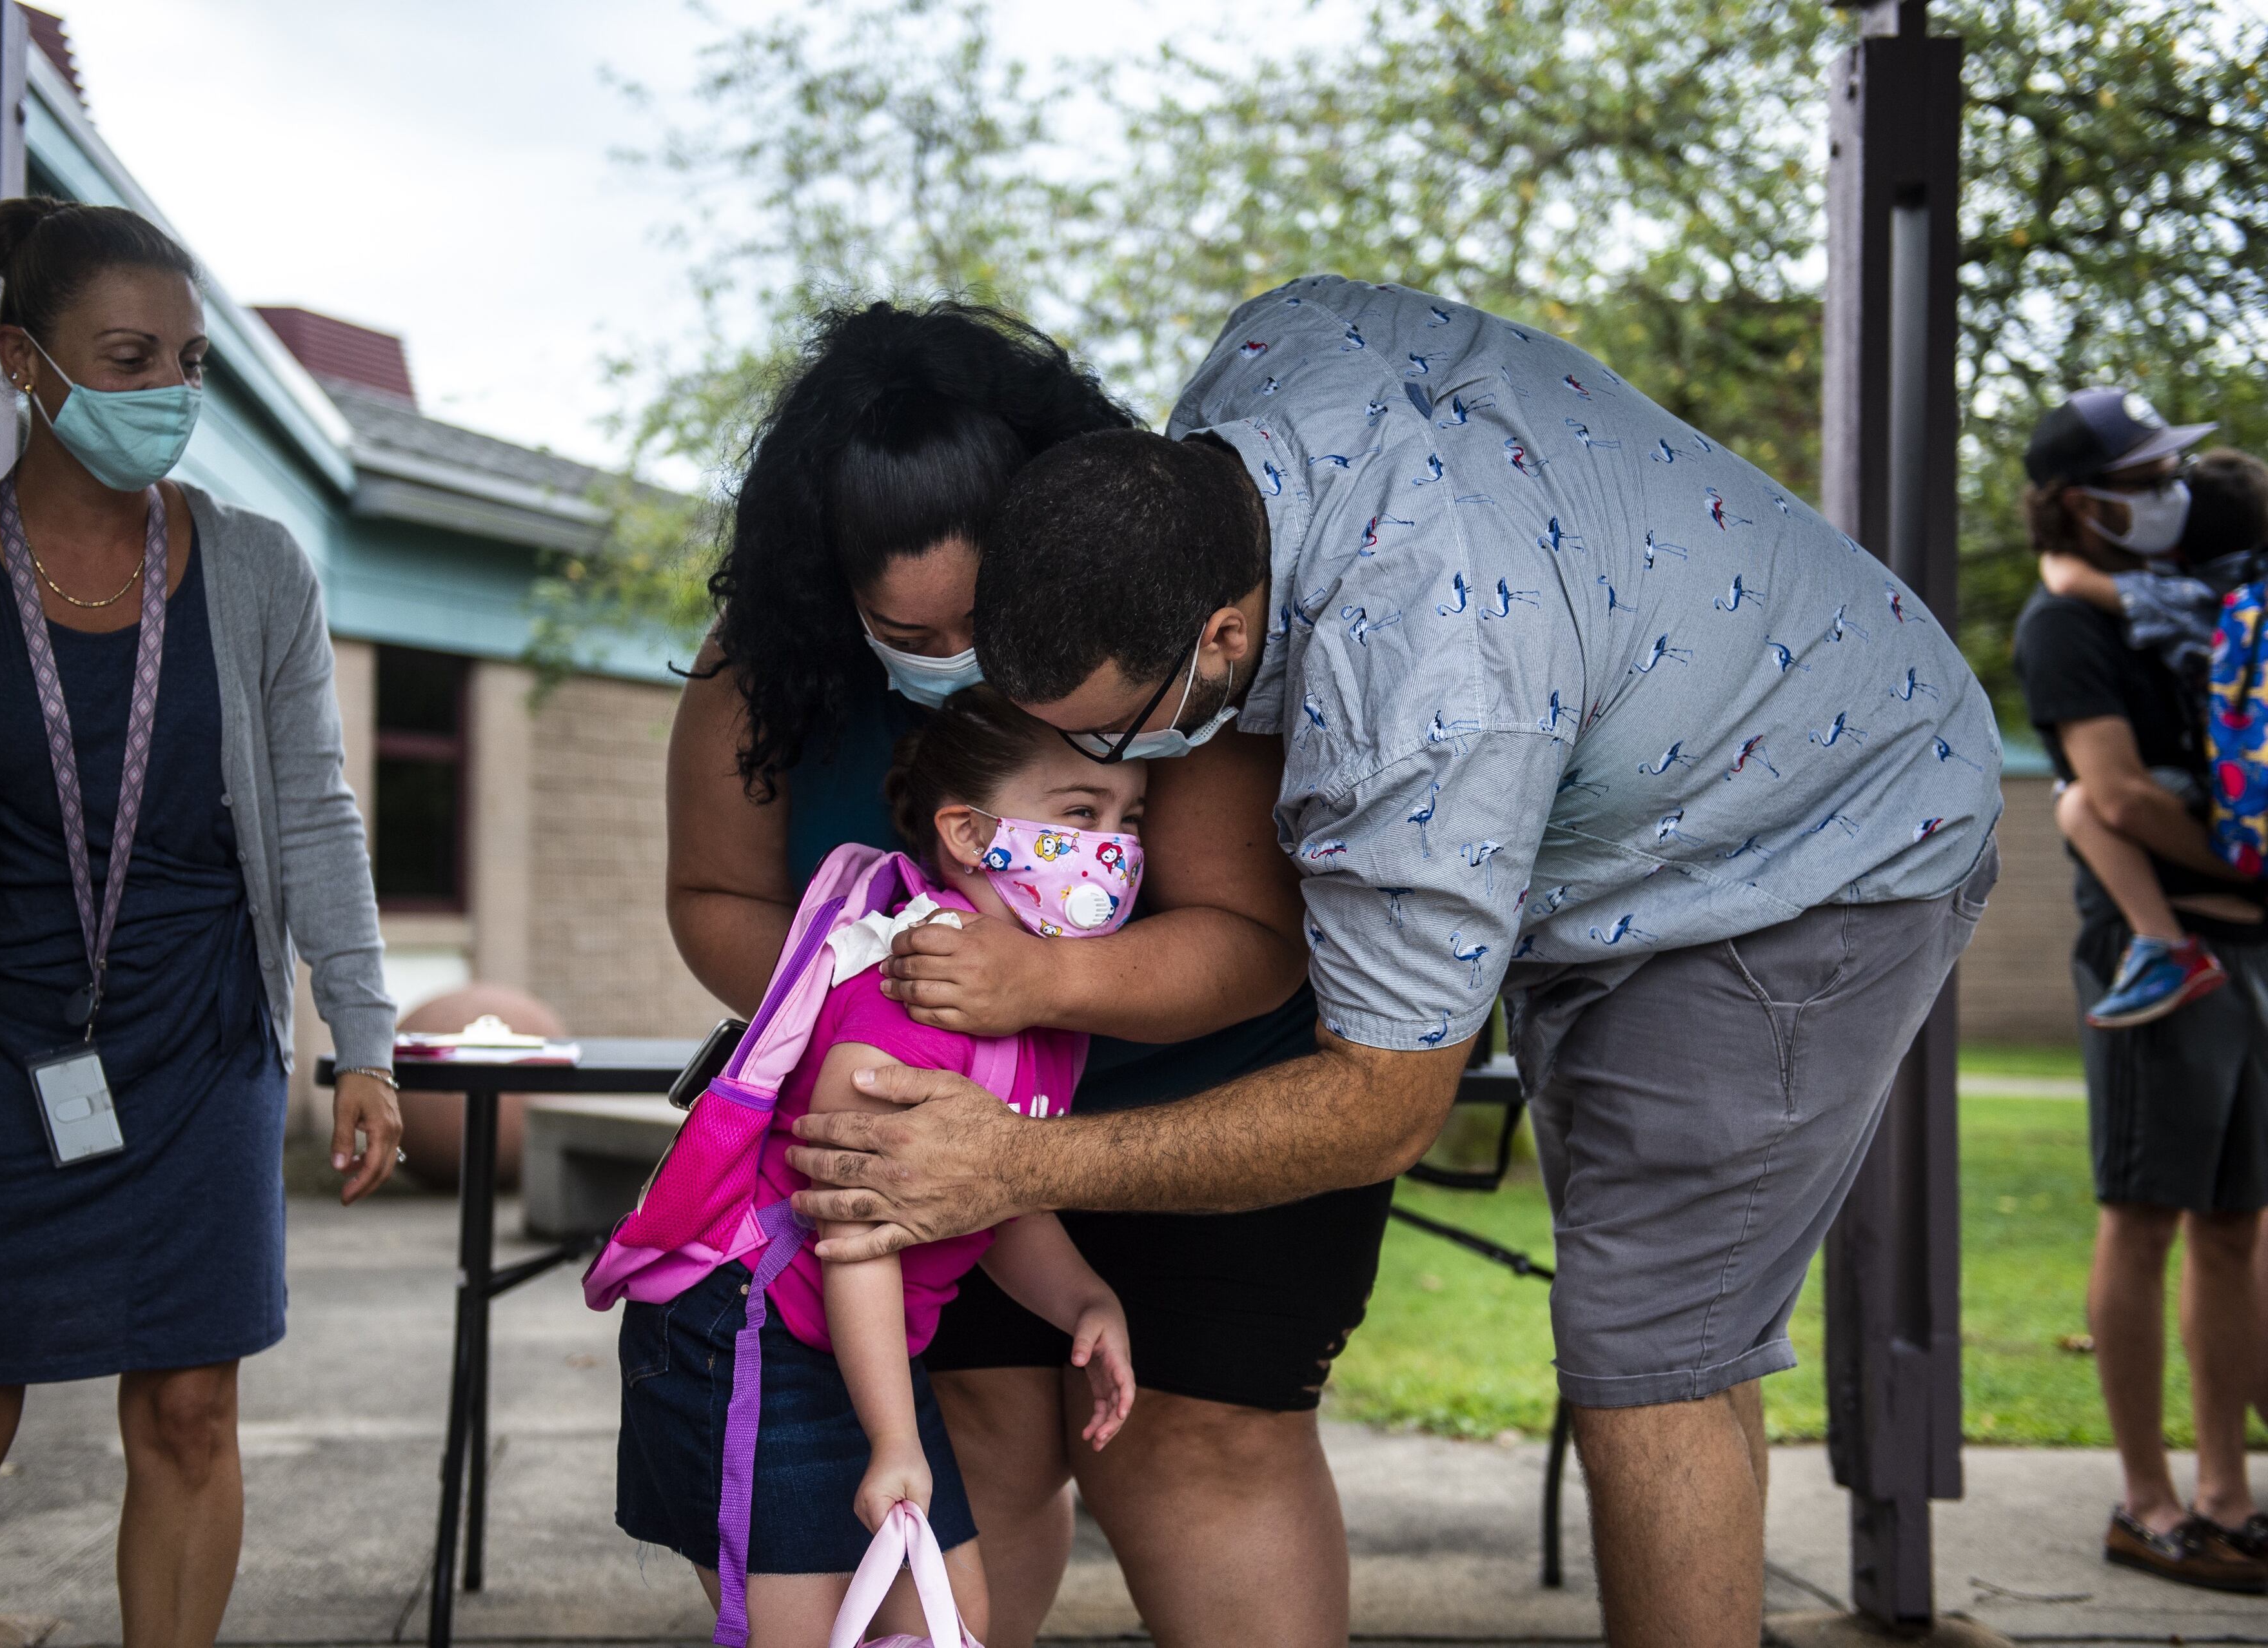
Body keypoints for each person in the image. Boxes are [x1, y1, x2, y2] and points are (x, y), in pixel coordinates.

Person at [787, 275, 2005, 1648]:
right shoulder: (1264, 349)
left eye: (1122, 742)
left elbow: (1383, 1103)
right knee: (1669, 1332)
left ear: (1224, 639)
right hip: (1669, 749)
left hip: (1810, 836)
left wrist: (1011, 1166)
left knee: (1652, 1345)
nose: (1122, 774)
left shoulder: (1424, 719)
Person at [664, 301, 1374, 1648]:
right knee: (971, 1425)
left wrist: (1033, 987)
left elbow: (1249, 934)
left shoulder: (1152, 633)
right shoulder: (767, 667)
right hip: (921, 1116)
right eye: (902, 632)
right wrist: (868, 990)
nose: (947, 666)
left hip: (1198, 1105)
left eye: (980, 624)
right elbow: (713, 898)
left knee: (1188, 1436)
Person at [0, 197, 400, 1647]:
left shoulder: (259, 575)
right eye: (125, 359)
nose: (164, 396)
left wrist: (362, 1035)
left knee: (191, 1414)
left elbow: (315, 812)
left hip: (201, 1047)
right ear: (23, 359)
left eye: (186, 365)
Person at [621, 687, 1138, 1645]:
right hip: (750, 1338)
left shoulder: (1037, 1009)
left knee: (950, 1623)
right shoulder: (905, 1002)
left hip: (859, 1353)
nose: (1115, 848)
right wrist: (896, 1439)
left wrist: (1083, 1300)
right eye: (1079, 813)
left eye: (1128, 818)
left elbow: (988, 1188)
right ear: (968, 832)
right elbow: (856, 1228)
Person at [2014, 391, 2267, 1591]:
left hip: (2257, 953)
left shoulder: (2219, 599)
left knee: (2236, 1226)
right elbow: (2113, 798)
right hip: (2160, 955)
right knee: (2148, 1215)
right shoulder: (2064, 626)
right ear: (2081, 498)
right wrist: (2253, 857)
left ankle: (2227, 1492)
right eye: (2143, 473)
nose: (2167, 487)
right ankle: (2147, 1499)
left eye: (2174, 466)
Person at [2032, 442, 2268, 1026]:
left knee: (2084, 800)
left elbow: (2076, 583)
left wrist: (2056, 560)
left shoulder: (2185, 597)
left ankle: (2162, 944)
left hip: (2230, 798)